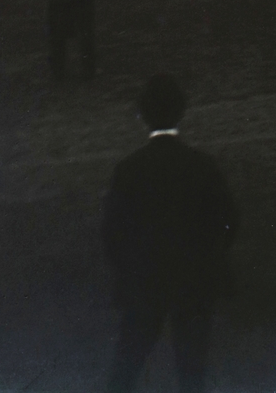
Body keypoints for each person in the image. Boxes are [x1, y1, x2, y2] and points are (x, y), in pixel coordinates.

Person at [102, 74, 239, 393]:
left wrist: (128, 270)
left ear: (142, 116)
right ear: (181, 112)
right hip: (192, 279)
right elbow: (227, 219)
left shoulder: (129, 170)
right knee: (192, 373)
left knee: (125, 369)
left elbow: (112, 233)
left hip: (145, 279)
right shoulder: (201, 165)